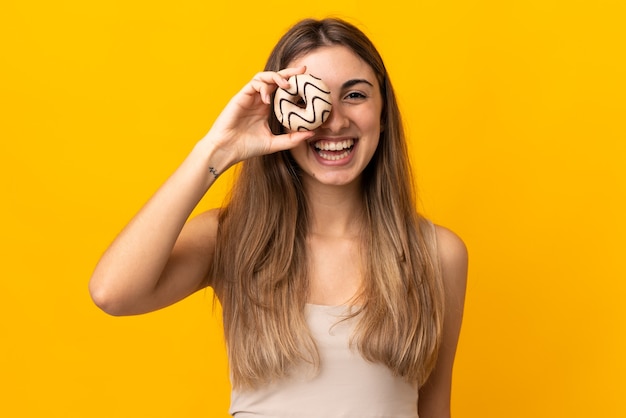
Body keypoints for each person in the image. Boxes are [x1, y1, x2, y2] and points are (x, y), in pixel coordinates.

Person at [89, 17, 468, 418]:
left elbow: (435, 407)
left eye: (354, 95)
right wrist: (217, 149)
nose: (333, 120)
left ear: (384, 113)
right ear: (279, 113)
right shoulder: (233, 238)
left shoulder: (437, 253)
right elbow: (113, 293)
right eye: (310, 98)